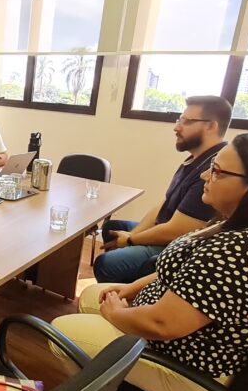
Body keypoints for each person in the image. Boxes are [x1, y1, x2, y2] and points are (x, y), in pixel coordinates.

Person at [52, 132, 248, 391]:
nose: (205, 176)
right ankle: (103, 379)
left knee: (63, 331)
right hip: (184, 338)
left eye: (217, 171)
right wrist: (132, 288)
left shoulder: (243, 252)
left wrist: (116, 314)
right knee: (93, 295)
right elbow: (184, 270)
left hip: (189, 367)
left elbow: (162, 324)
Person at [94, 95, 232, 283]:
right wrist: (133, 235)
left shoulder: (212, 171)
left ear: (211, 126)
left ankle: (126, 295)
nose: (177, 128)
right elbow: (165, 202)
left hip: (176, 244)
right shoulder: (194, 159)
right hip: (167, 229)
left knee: (106, 263)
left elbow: (177, 231)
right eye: (179, 120)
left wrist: (131, 240)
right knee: (112, 228)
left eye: (186, 122)